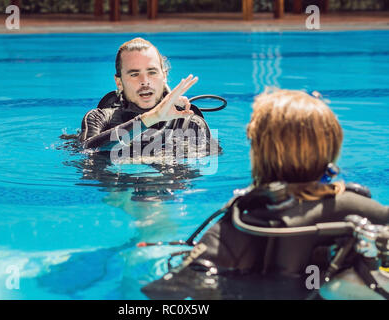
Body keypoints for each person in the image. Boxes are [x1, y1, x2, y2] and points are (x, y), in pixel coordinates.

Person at [142, 89, 389, 300]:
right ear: (331, 147)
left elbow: (162, 292)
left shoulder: (242, 224)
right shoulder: (361, 209)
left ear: (259, 154)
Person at [78, 37, 217, 158]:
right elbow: (87, 149)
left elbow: (196, 169)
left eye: (152, 72)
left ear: (164, 77)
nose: (145, 81)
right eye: (134, 74)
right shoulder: (99, 119)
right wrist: (152, 118)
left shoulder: (189, 123)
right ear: (119, 82)